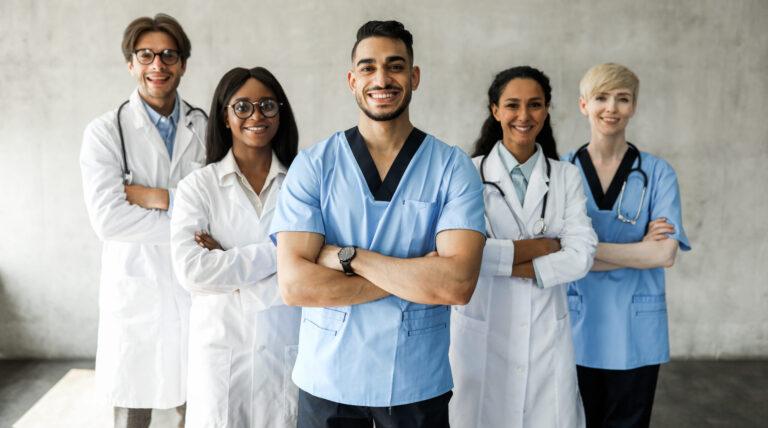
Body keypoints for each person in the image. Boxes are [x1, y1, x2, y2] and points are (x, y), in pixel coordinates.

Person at [269, 20, 486, 428]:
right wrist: (417, 273)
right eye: (368, 68)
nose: (381, 78)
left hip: (416, 382)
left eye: (395, 66)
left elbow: (456, 285)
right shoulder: (315, 165)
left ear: (415, 76)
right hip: (327, 382)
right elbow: (295, 285)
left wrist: (350, 258)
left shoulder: (452, 167)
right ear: (352, 80)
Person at [449, 66, 597, 428]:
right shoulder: (467, 173)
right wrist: (544, 246)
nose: (523, 115)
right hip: (482, 329)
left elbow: (581, 255)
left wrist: (504, 260)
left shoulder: (565, 176)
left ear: (546, 111)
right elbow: (462, 255)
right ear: (495, 110)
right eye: (512, 105)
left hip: (546, 333)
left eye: (535, 105)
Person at [79, 13, 207, 428]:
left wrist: (154, 198)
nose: (158, 65)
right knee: (133, 407)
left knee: (199, 402)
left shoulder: (205, 126)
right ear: (130, 64)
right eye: (146, 55)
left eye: (169, 55)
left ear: (183, 64)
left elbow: (220, 207)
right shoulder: (105, 132)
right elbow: (109, 221)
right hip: (136, 289)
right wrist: (187, 222)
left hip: (196, 288)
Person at [170, 67, 301, 427]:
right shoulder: (198, 187)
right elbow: (193, 272)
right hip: (220, 354)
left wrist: (228, 263)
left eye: (267, 105)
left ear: (281, 112)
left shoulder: (303, 185)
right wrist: (282, 251)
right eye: (241, 106)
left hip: (285, 349)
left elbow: (313, 274)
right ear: (225, 117)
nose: (256, 115)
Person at [565, 63, 691, 428]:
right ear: (583, 105)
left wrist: (583, 250)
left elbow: (664, 253)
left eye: (623, 99)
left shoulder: (659, 172)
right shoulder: (563, 170)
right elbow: (554, 251)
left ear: (634, 106)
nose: (612, 108)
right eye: (601, 98)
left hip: (634, 332)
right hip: (577, 326)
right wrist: (639, 251)